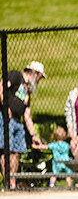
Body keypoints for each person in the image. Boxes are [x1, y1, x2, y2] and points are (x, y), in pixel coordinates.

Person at [0, 61, 46, 189]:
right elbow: (2, 87)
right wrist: (5, 107)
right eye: (39, 78)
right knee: (6, 150)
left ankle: (13, 182)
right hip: (6, 118)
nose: (39, 81)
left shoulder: (27, 90)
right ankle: (7, 182)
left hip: (18, 121)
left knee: (17, 151)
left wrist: (34, 135)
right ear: (34, 74)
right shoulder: (15, 75)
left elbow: (27, 114)